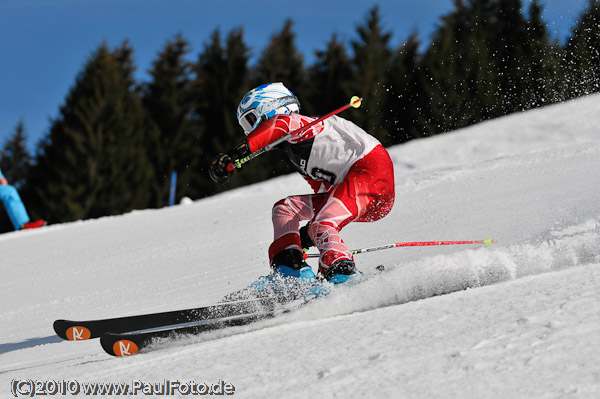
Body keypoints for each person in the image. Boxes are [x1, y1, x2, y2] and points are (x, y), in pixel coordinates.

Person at [209, 82, 395, 286]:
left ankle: (343, 273)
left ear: (271, 109)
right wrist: (305, 237)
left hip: (371, 173)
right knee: (284, 209)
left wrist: (236, 154)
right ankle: (291, 271)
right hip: (355, 193)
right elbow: (326, 192)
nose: (249, 131)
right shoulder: (298, 154)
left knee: (322, 224)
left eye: (251, 121)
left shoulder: (303, 125)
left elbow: (282, 124)